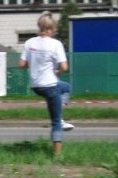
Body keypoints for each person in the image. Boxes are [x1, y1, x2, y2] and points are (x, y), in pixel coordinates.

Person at [19, 11, 74, 156]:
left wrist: (34, 66)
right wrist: (56, 71)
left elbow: (22, 64)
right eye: (54, 29)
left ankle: (60, 113)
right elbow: (64, 67)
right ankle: (57, 156)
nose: (55, 31)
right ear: (50, 29)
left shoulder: (29, 43)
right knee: (55, 122)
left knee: (66, 87)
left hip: (36, 86)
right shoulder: (55, 44)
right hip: (50, 86)